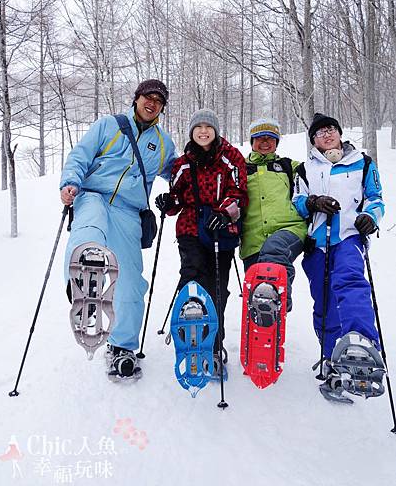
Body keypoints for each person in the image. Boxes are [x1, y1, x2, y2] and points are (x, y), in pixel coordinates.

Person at [60, 79, 177, 378]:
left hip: (129, 210)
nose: (152, 103)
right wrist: (71, 182)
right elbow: (80, 155)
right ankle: (81, 280)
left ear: (162, 108)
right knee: (89, 229)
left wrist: (179, 191)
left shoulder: (163, 143)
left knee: (130, 282)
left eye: (158, 101)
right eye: (148, 97)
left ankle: (122, 347)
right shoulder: (108, 126)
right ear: (136, 98)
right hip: (94, 194)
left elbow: (179, 171)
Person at [292, 113, 385, 395]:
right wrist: (313, 202)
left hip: (348, 236)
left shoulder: (362, 162)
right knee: (324, 301)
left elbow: (375, 198)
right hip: (317, 242)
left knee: (350, 281)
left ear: (339, 133)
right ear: (314, 141)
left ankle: (363, 344)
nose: (327, 134)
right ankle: (331, 355)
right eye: (320, 132)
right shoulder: (305, 169)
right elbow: (297, 202)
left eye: (331, 129)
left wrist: (370, 216)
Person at [155, 109, 248, 372]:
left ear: (216, 130)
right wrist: (168, 202)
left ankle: (215, 345)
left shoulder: (231, 158)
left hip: (221, 231)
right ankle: (190, 341)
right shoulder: (183, 163)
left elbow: (240, 193)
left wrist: (225, 212)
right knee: (193, 278)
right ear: (192, 132)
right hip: (190, 229)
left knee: (218, 285)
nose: (203, 131)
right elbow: (177, 198)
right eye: (199, 127)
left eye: (208, 126)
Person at [239, 118, 307, 311]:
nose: (265, 142)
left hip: (289, 229)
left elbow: (318, 170)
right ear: (252, 141)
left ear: (277, 142)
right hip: (253, 240)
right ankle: (261, 339)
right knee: (257, 297)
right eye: (260, 137)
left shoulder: (288, 166)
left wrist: (338, 153)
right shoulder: (240, 169)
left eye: (271, 138)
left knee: (275, 250)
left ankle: (282, 298)